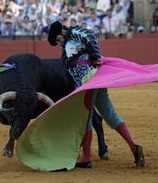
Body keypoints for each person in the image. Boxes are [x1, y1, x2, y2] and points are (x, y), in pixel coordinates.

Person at [47, 21, 145, 168]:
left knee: (86, 118)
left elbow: (91, 35)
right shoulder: (69, 42)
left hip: (88, 80)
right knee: (110, 114)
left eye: (58, 40)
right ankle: (133, 147)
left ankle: (86, 158)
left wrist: (95, 56)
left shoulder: (73, 32)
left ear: (61, 33)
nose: (60, 44)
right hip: (93, 79)